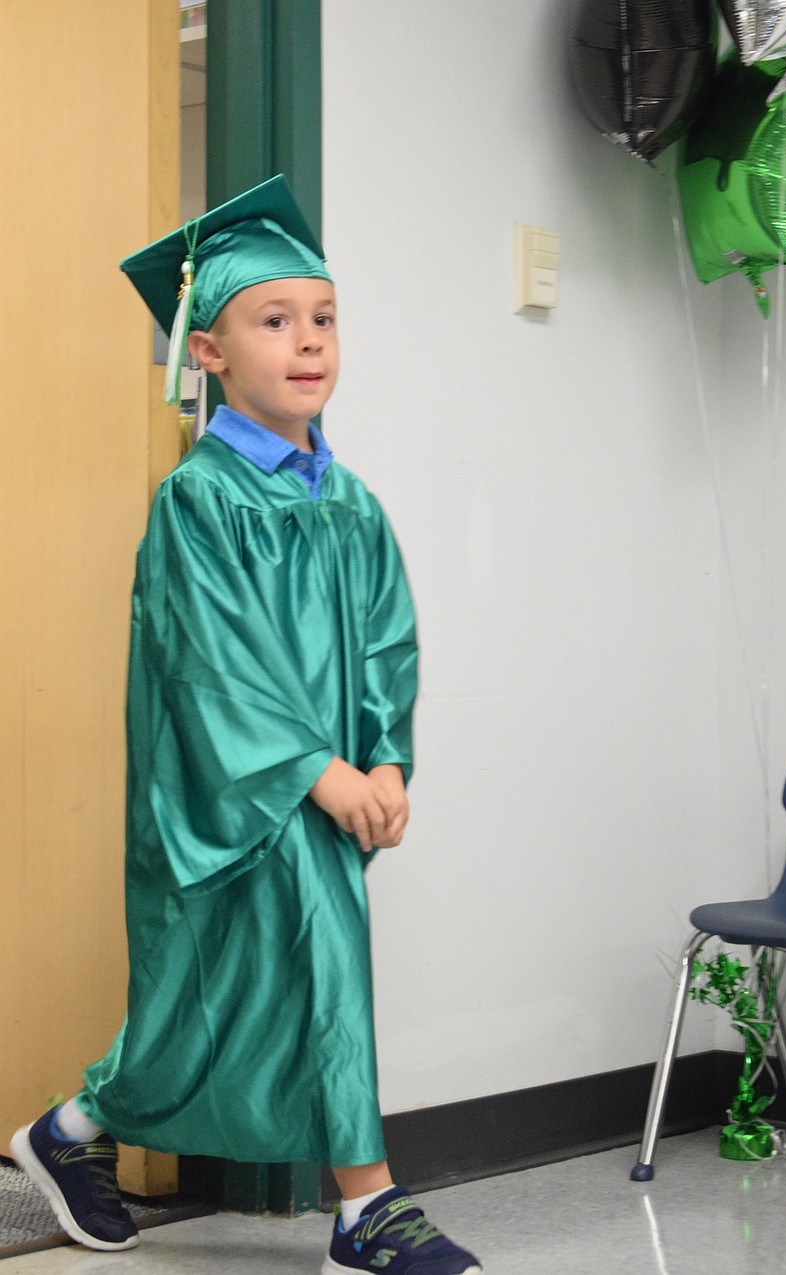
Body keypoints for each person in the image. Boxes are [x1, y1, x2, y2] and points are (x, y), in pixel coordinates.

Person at [11, 175, 482, 1275]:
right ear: (209, 355)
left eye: (323, 319)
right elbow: (210, 666)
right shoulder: (200, 499)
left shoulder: (349, 500)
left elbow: (384, 640)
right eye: (275, 321)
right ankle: (367, 1208)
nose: (309, 342)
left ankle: (69, 1133)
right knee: (317, 964)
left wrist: (386, 758)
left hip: (328, 786)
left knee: (223, 998)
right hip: (231, 793)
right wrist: (318, 772)